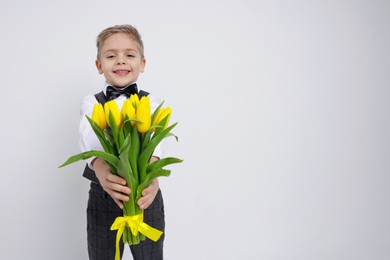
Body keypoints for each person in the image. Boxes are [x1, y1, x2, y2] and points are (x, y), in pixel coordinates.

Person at [78, 24, 165, 260]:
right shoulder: (92, 103)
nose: (120, 61)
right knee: (102, 254)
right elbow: (89, 136)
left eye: (129, 55)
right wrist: (101, 168)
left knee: (150, 255)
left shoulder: (151, 101)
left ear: (142, 63)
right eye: (110, 56)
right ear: (99, 65)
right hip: (103, 194)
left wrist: (152, 177)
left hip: (145, 196)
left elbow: (155, 142)